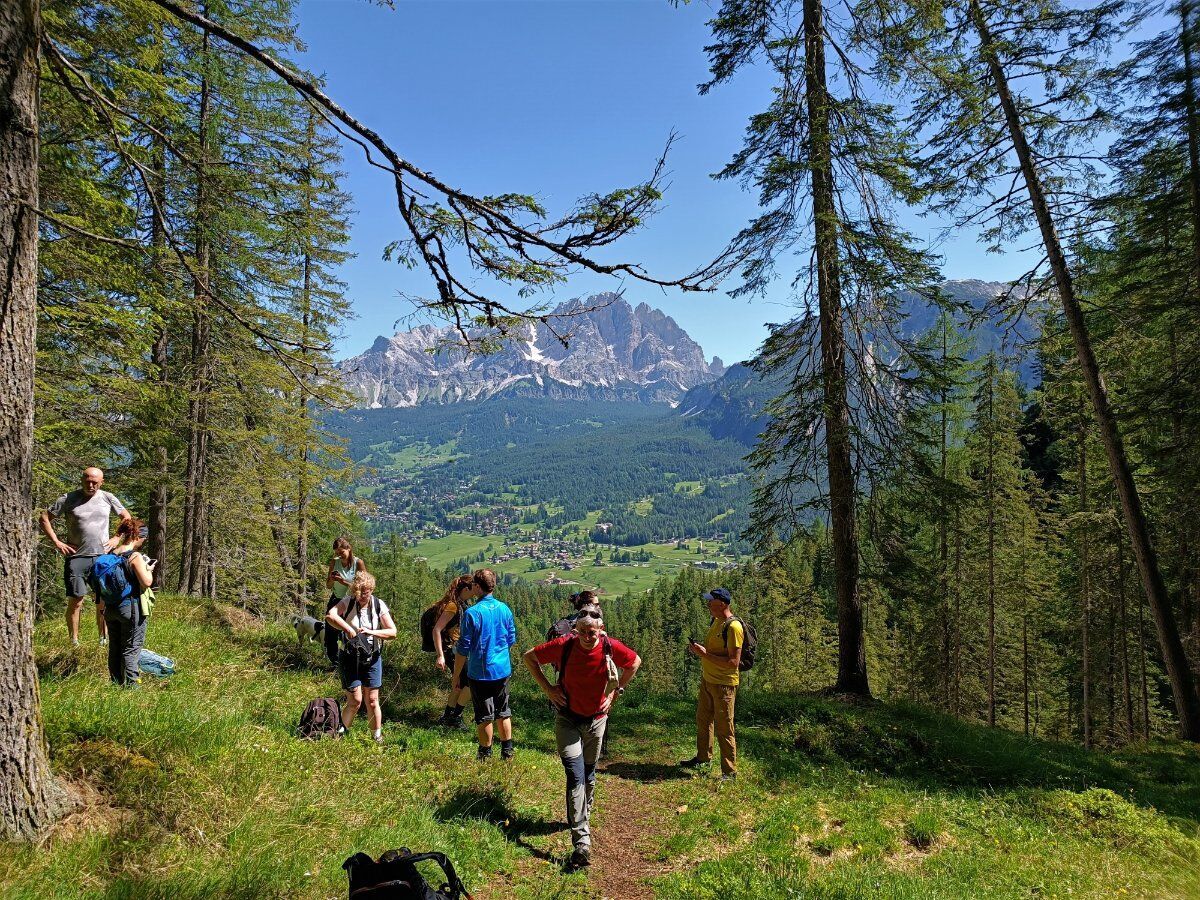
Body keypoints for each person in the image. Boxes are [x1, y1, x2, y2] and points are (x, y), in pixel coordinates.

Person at [524, 606, 640, 871]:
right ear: (576, 631)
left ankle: (580, 816)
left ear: (602, 631)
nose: (589, 637)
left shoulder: (610, 646)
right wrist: (548, 689)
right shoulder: (564, 644)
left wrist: (617, 691)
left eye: (594, 633)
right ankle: (581, 842)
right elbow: (529, 657)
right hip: (567, 719)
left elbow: (634, 662)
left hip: (597, 720)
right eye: (584, 632)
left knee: (588, 774)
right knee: (575, 775)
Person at [40, 466, 133, 647]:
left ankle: (103, 640)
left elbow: (126, 517)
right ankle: (74, 642)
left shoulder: (108, 497)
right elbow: (44, 518)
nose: (91, 485)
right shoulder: (68, 498)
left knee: (103, 600)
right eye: (87, 480)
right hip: (77, 557)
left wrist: (116, 538)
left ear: (101, 482)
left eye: (95, 482)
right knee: (76, 600)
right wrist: (58, 542)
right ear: (82, 479)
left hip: (103, 558)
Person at [452, 569, 517, 760]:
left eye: (473, 585)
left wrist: (456, 675)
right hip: (502, 669)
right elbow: (511, 638)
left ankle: (485, 754)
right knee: (503, 711)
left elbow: (463, 649)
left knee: (484, 715)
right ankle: (507, 751)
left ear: (478, 587)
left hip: (480, 672)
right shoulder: (504, 608)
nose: (472, 588)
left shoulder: (472, 613)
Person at [326, 571, 397, 742]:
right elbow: (330, 615)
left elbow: (393, 632)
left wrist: (371, 632)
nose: (362, 596)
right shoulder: (348, 602)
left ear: (371, 590)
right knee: (355, 700)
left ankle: (376, 737)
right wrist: (348, 629)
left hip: (372, 657)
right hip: (349, 656)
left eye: (365, 593)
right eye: (358, 593)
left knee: (372, 700)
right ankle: (339, 735)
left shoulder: (379, 605)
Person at [681, 587, 742, 781]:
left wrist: (704, 654)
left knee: (725, 728)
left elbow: (733, 662)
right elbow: (715, 652)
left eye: (711, 602)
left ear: (722, 604)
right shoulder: (716, 621)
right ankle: (703, 759)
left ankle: (729, 772)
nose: (708, 605)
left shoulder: (733, 627)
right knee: (703, 720)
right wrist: (701, 650)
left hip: (724, 684)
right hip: (708, 679)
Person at [100, 519, 155, 686]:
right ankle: (132, 686)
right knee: (131, 649)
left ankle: (116, 683)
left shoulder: (111, 555)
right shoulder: (134, 556)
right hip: (130, 608)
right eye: (143, 538)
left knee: (114, 648)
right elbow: (146, 582)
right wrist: (148, 569)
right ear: (137, 535)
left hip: (110, 609)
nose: (143, 541)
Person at [431, 574, 475, 728]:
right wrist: (440, 656)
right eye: (473, 586)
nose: (476, 589)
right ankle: (455, 716)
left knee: (459, 684)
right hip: (452, 651)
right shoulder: (453, 606)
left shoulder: (461, 603)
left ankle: (448, 716)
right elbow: (437, 629)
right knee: (471, 683)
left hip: (456, 649)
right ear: (466, 588)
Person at [324, 537, 365, 666]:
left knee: (350, 630)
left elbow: (364, 586)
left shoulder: (358, 563)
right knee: (331, 630)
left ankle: (353, 659)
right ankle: (335, 662)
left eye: (341, 552)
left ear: (349, 549)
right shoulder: (334, 562)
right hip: (336, 599)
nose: (339, 556)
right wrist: (332, 579)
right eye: (337, 553)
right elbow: (328, 586)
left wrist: (344, 582)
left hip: (353, 601)